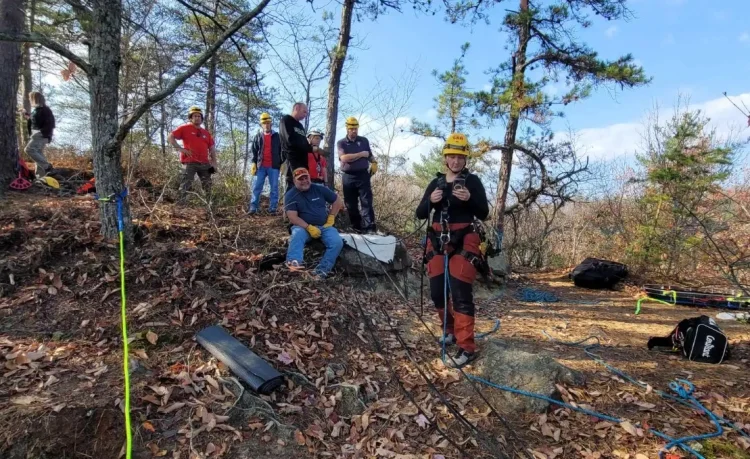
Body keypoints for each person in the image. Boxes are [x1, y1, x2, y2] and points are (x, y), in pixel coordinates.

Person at [415, 133, 489, 368]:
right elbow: (420, 213)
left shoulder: (472, 182)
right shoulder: (436, 183)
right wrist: (432, 201)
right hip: (437, 238)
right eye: (451, 157)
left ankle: (466, 347)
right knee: (437, 292)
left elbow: (484, 212)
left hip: (464, 237)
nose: (455, 161)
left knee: (460, 294)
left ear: (465, 159)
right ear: (445, 159)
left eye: (460, 157)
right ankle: (449, 329)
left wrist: (469, 199)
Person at [284, 167, 344, 278]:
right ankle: (294, 263)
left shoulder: (319, 189)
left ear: (309, 177)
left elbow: (337, 200)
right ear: (294, 181)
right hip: (302, 227)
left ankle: (322, 271)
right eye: (300, 179)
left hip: (324, 226)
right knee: (297, 235)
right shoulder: (290, 195)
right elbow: (292, 217)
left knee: (337, 242)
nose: (304, 181)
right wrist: (308, 227)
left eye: (306, 177)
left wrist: (331, 217)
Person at [337, 117, 378, 233]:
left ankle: (369, 227)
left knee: (366, 202)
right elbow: (344, 158)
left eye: (355, 128)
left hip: (363, 175)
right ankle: (357, 227)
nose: (354, 131)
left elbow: (369, 154)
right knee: (351, 204)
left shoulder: (364, 141)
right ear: (347, 129)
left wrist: (374, 162)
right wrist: (361, 154)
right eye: (351, 129)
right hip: (348, 176)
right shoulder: (341, 143)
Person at [168, 106, 217, 203]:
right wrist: (180, 148)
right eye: (195, 116)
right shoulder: (184, 128)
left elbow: (212, 148)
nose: (197, 118)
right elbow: (170, 137)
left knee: (208, 186)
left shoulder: (206, 133)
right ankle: (181, 205)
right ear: (191, 118)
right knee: (186, 184)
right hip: (190, 162)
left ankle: (210, 206)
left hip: (204, 163)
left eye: (199, 116)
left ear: (202, 119)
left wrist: (214, 163)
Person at [249, 112, 282, 214]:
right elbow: (254, 150)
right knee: (256, 187)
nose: (266, 125)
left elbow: (282, 151)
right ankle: (253, 208)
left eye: (268, 123)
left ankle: (273, 208)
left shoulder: (277, 136)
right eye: (264, 123)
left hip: (273, 166)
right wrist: (254, 163)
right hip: (261, 166)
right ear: (261, 124)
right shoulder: (258, 136)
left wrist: (282, 163)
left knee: (274, 188)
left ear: (271, 124)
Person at [279, 102, 313, 189]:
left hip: (303, 162)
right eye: (304, 112)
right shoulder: (286, 120)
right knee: (291, 186)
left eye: (307, 113)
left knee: (303, 187)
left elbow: (305, 142)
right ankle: (289, 203)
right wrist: (306, 147)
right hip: (291, 160)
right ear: (296, 108)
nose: (305, 115)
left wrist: (312, 148)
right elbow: (290, 141)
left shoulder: (300, 126)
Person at [23, 91, 56, 177]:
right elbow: (35, 120)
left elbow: (51, 123)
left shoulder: (45, 110)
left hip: (41, 135)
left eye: (31, 99)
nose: (30, 100)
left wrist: (42, 132)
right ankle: (41, 177)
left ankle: (47, 166)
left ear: (35, 99)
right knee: (38, 154)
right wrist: (26, 114)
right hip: (39, 134)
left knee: (29, 150)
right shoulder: (37, 110)